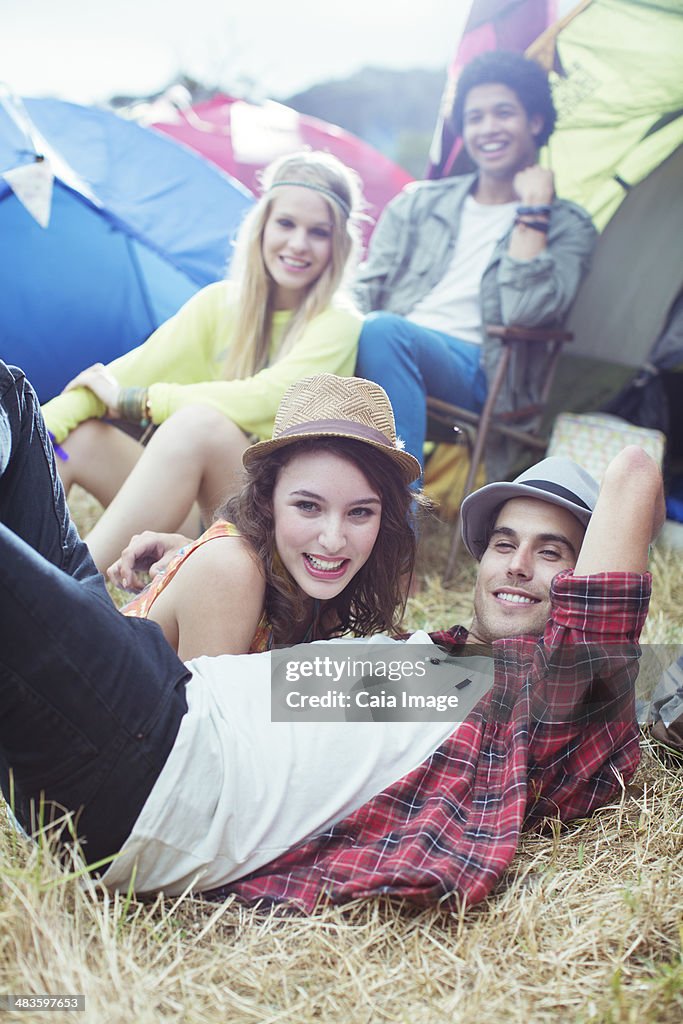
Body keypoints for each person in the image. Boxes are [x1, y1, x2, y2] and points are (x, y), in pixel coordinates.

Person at [0, 361, 663, 911]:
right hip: (149, 700)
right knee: (15, 402)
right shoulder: (440, 656)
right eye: (501, 543)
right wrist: (196, 558)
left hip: (156, 760)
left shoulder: (554, 692)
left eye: (552, 554)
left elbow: (633, 471)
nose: (516, 565)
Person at [41, 151, 365, 572]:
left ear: (338, 244)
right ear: (262, 226)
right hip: (202, 512)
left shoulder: (339, 322)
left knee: (201, 425)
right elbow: (106, 383)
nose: (298, 244)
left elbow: (268, 397)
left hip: (271, 523)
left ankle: (72, 589)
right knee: (76, 439)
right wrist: (30, 433)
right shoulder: (219, 304)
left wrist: (139, 401)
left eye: (318, 232)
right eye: (286, 224)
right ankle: (21, 572)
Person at [354, 51, 598, 478]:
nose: (488, 129)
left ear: (535, 122)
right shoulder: (420, 203)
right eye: (475, 117)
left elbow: (525, 312)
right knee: (341, 328)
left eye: (503, 113)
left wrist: (533, 212)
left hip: (484, 373)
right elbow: (368, 283)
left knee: (383, 330)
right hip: (388, 340)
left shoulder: (567, 225)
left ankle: (397, 516)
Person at [110, 374, 421, 660]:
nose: (332, 540)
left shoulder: (316, 580)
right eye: (308, 506)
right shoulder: (230, 567)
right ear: (267, 498)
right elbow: (212, 719)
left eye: (360, 512)